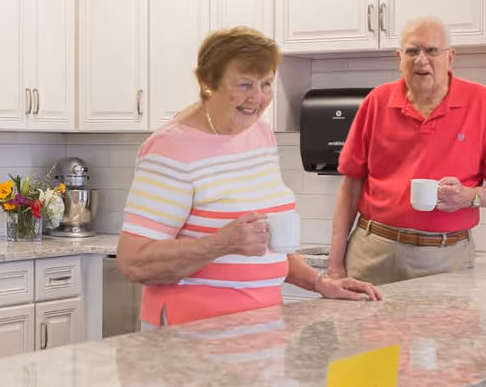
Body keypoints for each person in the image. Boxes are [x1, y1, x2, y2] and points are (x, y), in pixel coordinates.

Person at [118, 27, 382, 327]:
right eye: (244, 84)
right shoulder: (170, 148)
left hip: (262, 331)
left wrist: (318, 281)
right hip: (192, 336)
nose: (257, 98)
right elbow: (133, 262)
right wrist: (221, 243)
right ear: (208, 82)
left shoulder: (260, 134)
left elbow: (266, 245)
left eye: (266, 83)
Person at [325, 16, 486, 287]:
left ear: (450, 57)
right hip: (373, 251)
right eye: (412, 51)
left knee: (443, 331)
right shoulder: (376, 102)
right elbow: (351, 186)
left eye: (432, 51)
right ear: (399, 58)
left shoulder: (481, 103)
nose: (421, 59)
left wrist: (470, 196)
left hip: (445, 256)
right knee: (361, 330)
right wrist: (334, 266)